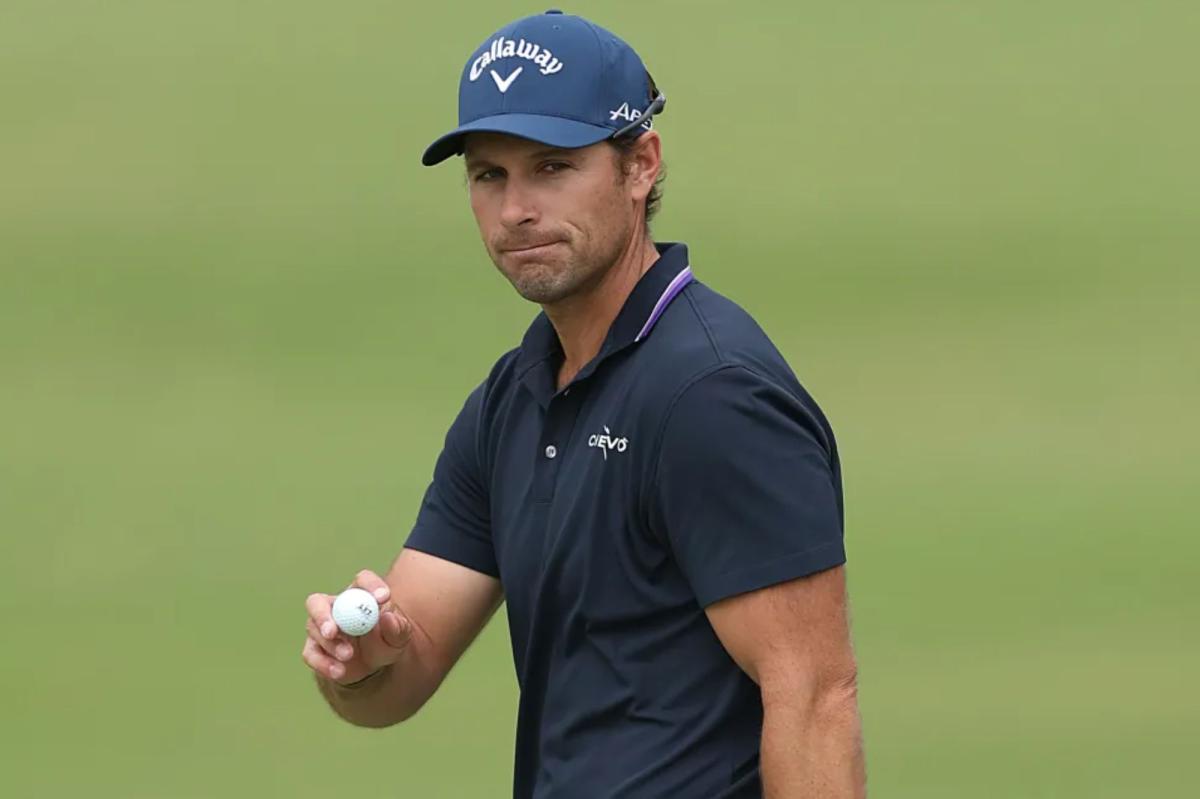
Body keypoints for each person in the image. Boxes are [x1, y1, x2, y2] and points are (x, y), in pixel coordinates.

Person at [302, 10, 866, 798]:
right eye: (489, 175)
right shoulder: (515, 396)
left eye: (552, 167)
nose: (515, 210)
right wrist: (361, 662)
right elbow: (402, 672)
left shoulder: (713, 397)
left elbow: (814, 698)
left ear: (641, 166)